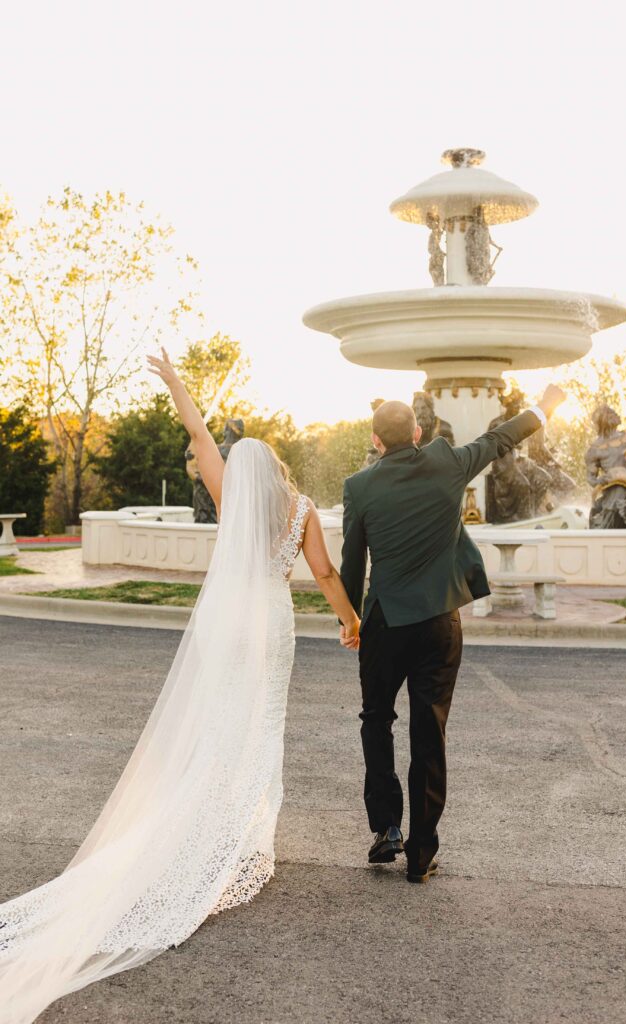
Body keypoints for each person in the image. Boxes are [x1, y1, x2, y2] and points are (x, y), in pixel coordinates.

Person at [0, 348, 360, 1024]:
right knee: (260, 727)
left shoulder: (232, 498)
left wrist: (175, 384)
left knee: (218, 724)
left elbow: (198, 435)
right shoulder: (303, 507)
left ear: (240, 470)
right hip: (272, 626)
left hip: (228, 623)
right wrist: (350, 622)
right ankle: (241, 839)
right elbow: (327, 575)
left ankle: (217, 831)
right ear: (276, 466)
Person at [339, 385, 566, 882]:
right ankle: (421, 854)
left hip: (385, 624)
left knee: (376, 719)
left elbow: (352, 562)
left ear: (376, 440)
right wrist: (544, 407)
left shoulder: (359, 487)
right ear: (417, 433)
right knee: (429, 729)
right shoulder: (447, 462)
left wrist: (350, 620)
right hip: (441, 623)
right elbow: (500, 438)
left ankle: (386, 829)